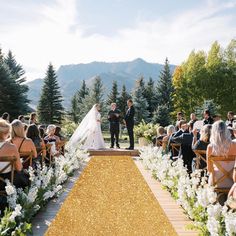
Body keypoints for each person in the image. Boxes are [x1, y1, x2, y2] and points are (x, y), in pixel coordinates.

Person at [0, 119, 29, 190]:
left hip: (5, 181)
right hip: (8, 181)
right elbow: (19, 168)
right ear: (6, 133)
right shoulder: (11, 147)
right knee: (25, 177)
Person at [207, 121, 236, 188]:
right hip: (234, 181)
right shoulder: (235, 145)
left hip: (217, 181)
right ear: (226, 131)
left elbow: (209, 169)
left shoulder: (210, 147)